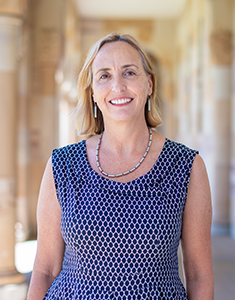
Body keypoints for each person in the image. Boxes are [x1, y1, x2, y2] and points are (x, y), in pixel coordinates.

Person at [27, 33, 214, 300]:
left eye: (129, 73)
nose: (118, 86)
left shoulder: (186, 166)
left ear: (149, 84)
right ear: (92, 92)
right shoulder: (63, 166)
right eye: (104, 75)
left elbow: (199, 275)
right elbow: (45, 269)